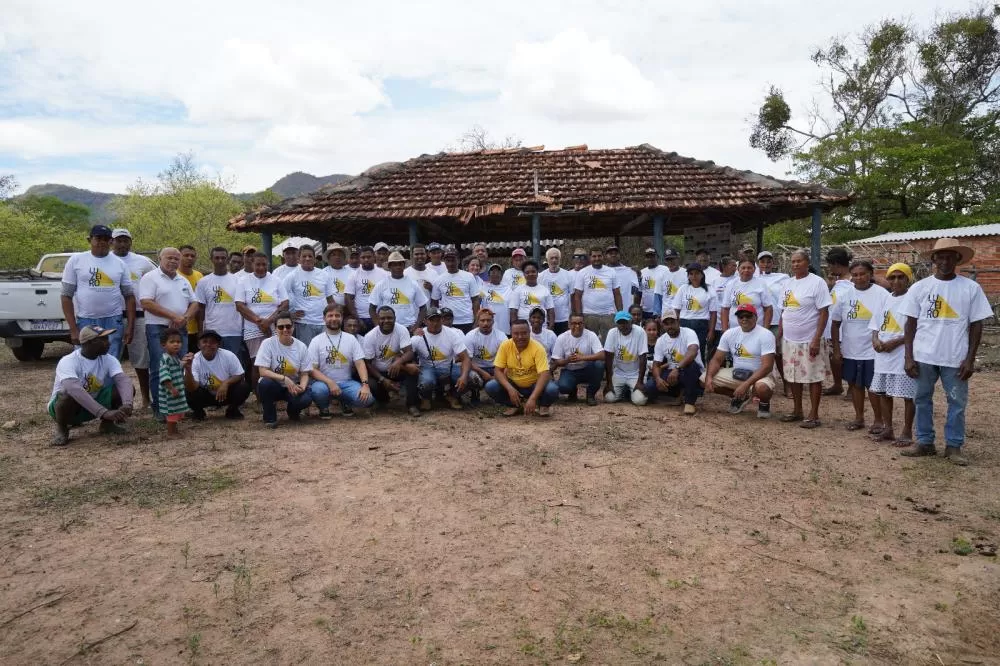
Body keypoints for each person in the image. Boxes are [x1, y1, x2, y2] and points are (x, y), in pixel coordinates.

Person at [900, 238, 993, 466]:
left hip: (956, 357)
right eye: (940, 257)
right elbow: (910, 324)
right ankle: (925, 442)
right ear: (933, 259)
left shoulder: (971, 288)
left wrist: (970, 358)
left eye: (949, 257)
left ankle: (953, 446)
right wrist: (908, 356)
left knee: (957, 403)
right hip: (924, 356)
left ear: (957, 259)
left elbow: (976, 324)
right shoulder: (920, 288)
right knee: (922, 399)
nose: (944, 261)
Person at [48, 325, 134, 446]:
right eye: (103, 340)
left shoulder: (108, 359)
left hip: (91, 405)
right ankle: (62, 429)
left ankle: (107, 425)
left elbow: (123, 380)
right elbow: (74, 389)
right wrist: (103, 412)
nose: (108, 343)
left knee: (123, 389)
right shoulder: (68, 361)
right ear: (89, 343)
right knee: (67, 395)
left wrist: (127, 403)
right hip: (67, 409)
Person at [61, 224, 136, 358]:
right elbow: (66, 296)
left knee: (111, 361)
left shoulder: (120, 264)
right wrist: (73, 329)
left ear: (111, 241)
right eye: (98, 238)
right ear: (89, 240)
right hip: (86, 320)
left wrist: (130, 327)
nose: (102, 242)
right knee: (86, 361)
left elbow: (129, 296)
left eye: (106, 239)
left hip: (113, 320)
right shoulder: (76, 261)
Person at [139, 247, 198, 418]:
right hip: (159, 328)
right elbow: (146, 303)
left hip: (180, 329)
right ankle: (160, 409)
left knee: (179, 368)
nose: (173, 261)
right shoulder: (150, 278)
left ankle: (178, 407)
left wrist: (184, 318)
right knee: (159, 368)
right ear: (160, 258)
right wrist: (173, 316)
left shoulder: (183, 280)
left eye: (176, 259)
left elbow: (194, 303)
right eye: (169, 258)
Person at [831, 260, 889, 433]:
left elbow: (888, 319)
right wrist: (836, 349)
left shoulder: (881, 294)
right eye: (855, 275)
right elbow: (835, 324)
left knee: (873, 386)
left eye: (862, 274)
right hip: (851, 348)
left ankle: (878, 420)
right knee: (855, 384)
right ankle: (859, 417)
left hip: (873, 350)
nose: (859, 277)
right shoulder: (845, 296)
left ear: (870, 274)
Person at [777, 249, 833, 429]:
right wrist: (779, 334)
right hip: (789, 339)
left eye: (799, 261)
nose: (795, 264)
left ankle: (814, 414)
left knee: (813, 376)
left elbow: (824, 312)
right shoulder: (787, 284)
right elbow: (783, 311)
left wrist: (817, 339)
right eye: (793, 261)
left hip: (809, 338)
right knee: (793, 377)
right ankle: (797, 410)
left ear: (807, 262)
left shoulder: (818, 283)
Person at [869, 263, 916, 446]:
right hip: (883, 355)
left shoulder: (913, 299)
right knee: (883, 394)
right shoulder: (885, 299)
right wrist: (875, 340)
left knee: (907, 396)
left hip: (903, 353)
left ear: (907, 279)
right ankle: (888, 428)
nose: (896, 281)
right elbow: (875, 324)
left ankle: (906, 431)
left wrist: (896, 342)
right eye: (892, 277)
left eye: (900, 277)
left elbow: (916, 328)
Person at [703, 304, 776, 418]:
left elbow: (767, 366)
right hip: (738, 373)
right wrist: (709, 377)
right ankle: (740, 397)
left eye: (748, 316)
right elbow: (717, 359)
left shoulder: (765, 334)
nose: (744, 319)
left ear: (756, 317)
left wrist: (746, 384)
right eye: (741, 316)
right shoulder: (729, 333)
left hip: (760, 375)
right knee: (703, 379)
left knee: (763, 388)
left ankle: (764, 403)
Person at [111, 228, 156, 408]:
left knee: (141, 359)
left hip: (138, 316)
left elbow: (157, 278)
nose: (122, 244)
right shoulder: (107, 261)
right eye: (118, 240)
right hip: (113, 316)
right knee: (112, 358)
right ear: (112, 242)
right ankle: (114, 400)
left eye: (125, 240)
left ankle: (146, 398)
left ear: (131, 242)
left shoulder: (142, 262)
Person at [306, 304, 374, 418]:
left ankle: (345, 402)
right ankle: (324, 408)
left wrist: (365, 385)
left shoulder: (351, 339)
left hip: (346, 382)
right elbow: (312, 369)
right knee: (318, 391)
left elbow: (360, 363)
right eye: (330, 315)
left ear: (342, 318)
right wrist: (330, 382)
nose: (334, 318)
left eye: (337, 315)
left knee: (367, 400)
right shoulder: (316, 341)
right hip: (323, 384)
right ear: (324, 318)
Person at [235, 253, 289, 393]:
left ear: (268, 264)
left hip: (274, 326)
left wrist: (269, 321)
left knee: (275, 362)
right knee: (257, 363)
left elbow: (285, 303)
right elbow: (240, 305)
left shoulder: (276, 280)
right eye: (257, 264)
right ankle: (259, 398)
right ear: (252, 264)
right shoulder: (243, 281)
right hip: (252, 328)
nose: (261, 267)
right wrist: (259, 322)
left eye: (264, 264)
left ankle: (275, 395)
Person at [485, 319, 560, 416]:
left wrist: (533, 398)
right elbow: (497, 371)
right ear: (511, 334)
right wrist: (510, 389)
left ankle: (542, 405)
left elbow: (545, 374)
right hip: (514, 384)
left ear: (529, 332)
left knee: (552, 389)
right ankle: (515, 405)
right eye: (516, 334)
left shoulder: (538, 348)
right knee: (491, 386)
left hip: (534, 385)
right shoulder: (505, 345)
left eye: (524, 333)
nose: (520, 337)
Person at [255, 311, 313, 428]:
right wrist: (284, 378)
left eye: (288, 326)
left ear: (293, 327)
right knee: (265, 384)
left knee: (306, 399)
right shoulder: (267, 344)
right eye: (281, 327)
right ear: (275, 328)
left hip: (292, 387)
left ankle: (292, 411)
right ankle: (270, 417)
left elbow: (305, 373)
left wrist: (302, 387)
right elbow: (263, 371)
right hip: (274, 385)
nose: (285, 329)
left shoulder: (301, 346)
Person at [409, 307, 471, 411]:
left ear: (442, 320)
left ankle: (452, 396)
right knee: (426, 383)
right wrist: (408, 365)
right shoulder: (418, 336)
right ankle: (426, 399)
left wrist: (464, 376)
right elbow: (403, 354)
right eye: (431, 320)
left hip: (448, 367)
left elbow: (465, 358)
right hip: (427, 368)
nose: (435, 323)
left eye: (438, 320)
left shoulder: (452, 334)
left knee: (471, 378)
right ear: (425, 321)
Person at [364, 306, 421, 417]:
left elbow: (409, 352)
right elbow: (368, 364)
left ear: (395, 318)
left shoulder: (401, 329)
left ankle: (412, 405)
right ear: (377, 319)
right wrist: (383, 379)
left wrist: (398, 363)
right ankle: (382, 401)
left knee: (413, 370)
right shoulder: (370, 336)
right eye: (382, 318)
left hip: (396, 368)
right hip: (378, 372)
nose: (386, 321)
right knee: (370, 383)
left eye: (389, 318)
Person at [183, 329, 250, 420]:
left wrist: (226, 383)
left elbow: (240, 374)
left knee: (243, 386)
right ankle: (198, 412)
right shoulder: (194, 360)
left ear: (218, 345)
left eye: (213, 342)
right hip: (205, 395)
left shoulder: (228, 355)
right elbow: (192, 387)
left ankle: (232, 410)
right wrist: (188, 370)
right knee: (188, 390)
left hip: (225, 394)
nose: (208, 345)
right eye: (205, 341)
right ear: (199, 345)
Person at [194, 247, 244, 357]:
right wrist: (200, 332)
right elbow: (200, 309)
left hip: (234, 331)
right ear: (211, 259)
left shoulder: (238, 281)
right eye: (217, 258)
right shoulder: (203, 282)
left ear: (227, 260)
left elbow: (243, 307)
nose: (220, 261)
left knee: (233, 366)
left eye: (223, 258)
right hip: (212, 331)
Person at [651, 310, 703, 414]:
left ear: (678, 321)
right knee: (649, 388)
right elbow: (656, 364)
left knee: (691, 366)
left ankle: (689, 402)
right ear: (662, 325)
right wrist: (657, 379)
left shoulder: (689, 333)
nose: (670, 326)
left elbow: (692, 352)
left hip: (689, 371)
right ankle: (677, 394)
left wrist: (677, 368)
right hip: (672, 373)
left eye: (672, 322)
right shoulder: (661, 340)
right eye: (666, 323)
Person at [283, 245, 335, 345]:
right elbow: (281, 298)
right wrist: (289, 315)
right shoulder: (292, 276)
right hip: (304, 322)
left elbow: (330, 299)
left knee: (324, 353)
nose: (307, 258)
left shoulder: (324, 275)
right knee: (307, 354)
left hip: (323, 322)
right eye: (304, 256)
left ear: (315, 259)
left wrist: (334, 316)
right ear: (299, 259)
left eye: (310, 256)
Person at [756, 250, 791, 395]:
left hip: (776, 320)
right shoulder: (753, 278)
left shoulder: (783, 278)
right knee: (758, 353)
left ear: (773, 263)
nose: (765, 264)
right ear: (758, 263)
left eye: (768, 261)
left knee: (779, 353)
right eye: (762, 261)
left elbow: (786, 299)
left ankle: (786, 384)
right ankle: (759, 384)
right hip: (757, 321)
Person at [552, 312, 604, 405]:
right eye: (574, 323)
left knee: (599, 365)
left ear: (584, 324)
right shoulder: (562, 337)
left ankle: (590, 394)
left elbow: (602, 355)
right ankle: (572, 391)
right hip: (570, 370)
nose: (577, 326)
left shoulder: (591, 335)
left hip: (587, 368)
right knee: (563, 387)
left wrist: (582, 358)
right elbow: (556, 360)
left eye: (580, 323)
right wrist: (567, 360)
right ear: (569, 324)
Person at [369, 251, 428, 331]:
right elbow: (372, 308)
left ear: (404, 266)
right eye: (394, 264)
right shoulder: (381, 284)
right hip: (388, 327)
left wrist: (416, 326)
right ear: (389, 267)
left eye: (400, 264)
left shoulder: (413, 283)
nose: (398, 267)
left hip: (408, 326)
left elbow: (423, 307)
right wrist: (378, 325)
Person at [572, 247, 623, 340]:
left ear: (603, 257)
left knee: (609, 344)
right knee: (589, 343)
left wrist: (620, 313)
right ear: (590, 258)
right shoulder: (582, 273)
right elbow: (577, 296)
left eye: (599, 256)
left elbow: (617, 294)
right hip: (589, 315)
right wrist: (579, 315)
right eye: (594, 256)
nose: (597, 258)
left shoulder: (611, 272)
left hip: (608, 315)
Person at [823, 247, 854, 396]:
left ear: (836, 263)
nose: (829, 268)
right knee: (833, 356)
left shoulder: (853, 279)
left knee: (847, 358)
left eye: (830, 265)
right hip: (833, 326)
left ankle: (853, 387)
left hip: (846, 326)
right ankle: (837, 384)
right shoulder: (838, 280)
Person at [671, 263, 717, 363]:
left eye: (696, 273)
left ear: (702, 275)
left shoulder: (709, 289)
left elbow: (713, 313)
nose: (694, 276)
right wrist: (676, 325)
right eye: (691, 274)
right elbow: (676, 310)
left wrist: (711, 331)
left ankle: (699, 373)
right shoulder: (683, 289)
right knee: (683, 350)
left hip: (701, 324)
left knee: (699, 351)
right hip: (684, 323)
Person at [603, 311, 648, 406]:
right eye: (620, 323)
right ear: (616, 324)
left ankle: (628, 391)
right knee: (609, 398)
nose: (623, 325)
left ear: (631, 321)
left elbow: (643, 357)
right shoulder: (612, 333)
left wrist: (640, 382)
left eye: (625, 322)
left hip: (635, 374)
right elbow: (608, 359)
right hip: (619, 373)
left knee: (640, 401)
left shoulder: (640, 332)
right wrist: (609, 383)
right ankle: (624, 391)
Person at [430, 248, 480, 333]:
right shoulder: (438, 280)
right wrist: (438, 321)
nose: (450, 263)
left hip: (467, 321)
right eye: (448, 260)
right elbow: (434, 302)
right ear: (444, 261)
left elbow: (475, 300)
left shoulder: (469, 276)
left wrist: (476, 321)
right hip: (447, 323)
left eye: (453, 260)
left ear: (458, 260)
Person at [464, 308, 507, 404]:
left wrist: (497, 374)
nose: (485, 323)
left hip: (495, 367)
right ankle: (474, 394)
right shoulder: (470, 336)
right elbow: (467, 360)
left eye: (488, 320)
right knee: (470, 375)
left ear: (493, 321)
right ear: (477, 321)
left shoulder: (501, 336)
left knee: (509, 371)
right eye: (482, 320)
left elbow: (506, 359)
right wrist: (483, 373)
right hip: (477, 367)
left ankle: (500, 396)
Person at [721, 259, 774, 331]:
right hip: (735, 329)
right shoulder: (731, 284)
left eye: (749, 268)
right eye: (743, 268)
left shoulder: (761, 283)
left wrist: (765, 329)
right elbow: (725, 308)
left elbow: (768, 308)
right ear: (738, 269)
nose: (746, 270)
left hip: (756, 329)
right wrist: (725, 330)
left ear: (754, 269)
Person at [345, 246, 388, 330]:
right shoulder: (353, 275)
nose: (366, 259)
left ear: (374, 257)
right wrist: (357, 319)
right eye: (363, 257)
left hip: (380, 316)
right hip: (361, 317)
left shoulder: (384, 274)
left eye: (369, 257)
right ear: (360, 259)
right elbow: (348, 298)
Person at [157, 328, 188, 437]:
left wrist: (185, 362)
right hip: (169, 391)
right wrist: (171, 389)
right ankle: (171, 432)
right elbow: (165, 377)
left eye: (178, 342)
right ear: (163, 345)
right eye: (172, 342)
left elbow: (179, 365)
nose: (176, 344)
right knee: (171, 412)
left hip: (175, 389)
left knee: (175, 410)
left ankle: (174, 430)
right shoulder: (165, 359)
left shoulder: (174, 357)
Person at [508, 260, 555, 329]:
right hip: (523, 329)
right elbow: (513, 311)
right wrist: (515, 327)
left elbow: (550, 310)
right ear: (523, 274)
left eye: (533, 271)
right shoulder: (518, 290)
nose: (530, 274)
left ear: (537, 273)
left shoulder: (545, 290)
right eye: (527, 272)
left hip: (542, 328)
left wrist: (551, 326)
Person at [539, 248, 574, 335]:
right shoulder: (540, 276)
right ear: (547, 260)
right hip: (546, 319)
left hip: (564, 319)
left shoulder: (568, 275)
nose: (554, 260)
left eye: (556, 258)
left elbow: (573, 297)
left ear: (560, 259)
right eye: (551, 258)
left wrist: (572, 317)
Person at [709, 256, 737, 360]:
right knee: (716, 351)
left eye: (736, 266)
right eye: (732, 265)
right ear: (724, 266)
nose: (735, 268)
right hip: (717, 323)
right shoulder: (714, 281)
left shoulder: (737, 280)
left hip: (733, 323)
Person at [177, 245, 203, 351]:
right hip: (179, 326)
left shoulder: (199, 276)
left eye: (192, 256)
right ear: (179, 257)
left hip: (196, 328)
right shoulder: (175, 275)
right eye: (186, 255)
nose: (190, 258)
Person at [654, 248, 687, 315]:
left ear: (677, 258)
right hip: (667, 313)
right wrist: (657, 314)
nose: (670, 262)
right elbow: (658, 296)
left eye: (672, 259)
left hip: (683, 312)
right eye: (668, 260)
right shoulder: (661, 276)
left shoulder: (686, 273)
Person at [481, 264, 512, 334]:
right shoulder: (483, 287)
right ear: (488, 275)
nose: (496, 274)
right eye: (493, 272)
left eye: (498, 272)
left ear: (501, 275)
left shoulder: (508, 288)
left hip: (504, 327)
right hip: (488, 326)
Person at [639, 248, 668, 319]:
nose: (650, 259)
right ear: (645, 258)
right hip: (646, 310)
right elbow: (639, 292)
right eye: (648, 257)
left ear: (657, 257)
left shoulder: (665, 270)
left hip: (662, 309)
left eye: (652, 256)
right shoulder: (642, 272)